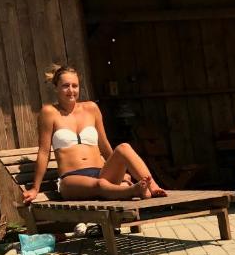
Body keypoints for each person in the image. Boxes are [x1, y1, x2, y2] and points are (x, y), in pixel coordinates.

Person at [23, 64, 168, 204]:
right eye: (65, 86)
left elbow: (104, 146)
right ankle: (133, 190)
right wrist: (35, 188)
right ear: (56, 88)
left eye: (75, 86)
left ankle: (153, 186)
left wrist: (119, 171)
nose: (71, 90)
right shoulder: (49, 113)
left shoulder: (91, 108)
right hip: (72, 179)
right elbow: (44, 152)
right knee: (100, 184)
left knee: (124, 147)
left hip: (102, 172)